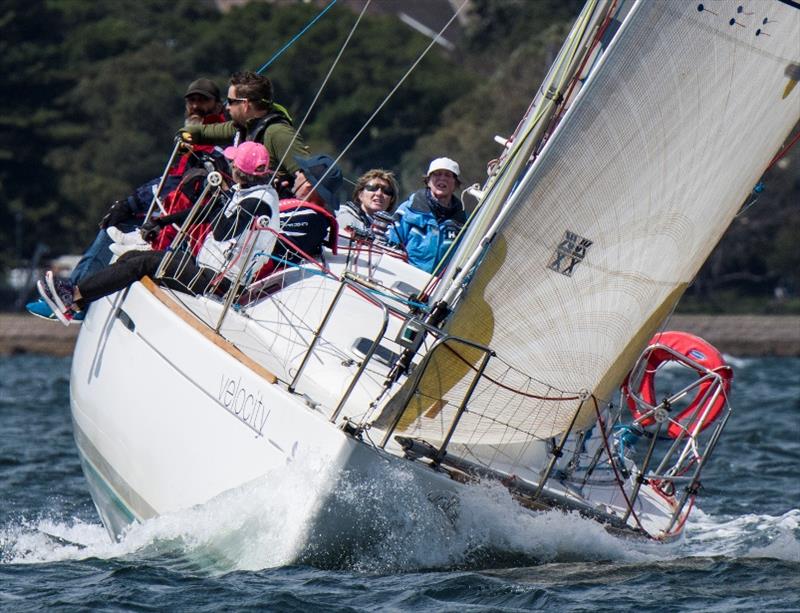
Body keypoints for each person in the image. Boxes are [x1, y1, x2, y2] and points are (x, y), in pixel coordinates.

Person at [26, 78, 227, 320]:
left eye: (203, 100)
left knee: (115, 225)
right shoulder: (193, 138)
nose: (195, 106)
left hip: (187, 223)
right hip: (174, 212)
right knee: (113, 224)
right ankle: (75, 293)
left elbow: (172, 183)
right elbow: (168, 181)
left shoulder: (210, 141)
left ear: (218, 105)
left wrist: (131, 203)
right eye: (191, 101)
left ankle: (75, 299)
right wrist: (129, 203)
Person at [37, 142, 280, 326]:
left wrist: (223, 200)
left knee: (145, 261)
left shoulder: (257, 203)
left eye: (234, 162)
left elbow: (222, 232)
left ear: (240, 169)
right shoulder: (247, 192)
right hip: (206, 271)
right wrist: (163, 221)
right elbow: (206, 214)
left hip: (218, 283)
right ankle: (75, 302)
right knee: (131, 256)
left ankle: (74, 294)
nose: (231, 165)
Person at [180, 71, 309, 197]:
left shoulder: (278, 133)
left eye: (230, 101)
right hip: (246, 207)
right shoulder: (239, 127)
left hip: (273, 211)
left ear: (245, 104)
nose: (227, 107)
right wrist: (184, 136)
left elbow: (311, 176)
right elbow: (201, 132)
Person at [387, 157, 466, 273]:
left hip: (439, 286)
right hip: (403, 277)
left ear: (455, 183)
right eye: (437, 174)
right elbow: (390, 242)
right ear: (428, 181)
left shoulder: (463, 221)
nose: (442, 178)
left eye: (448, 175)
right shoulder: (408, 209)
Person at [336, 169, 399, 241]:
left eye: (386, 191)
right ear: (360, 194)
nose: (379, 193)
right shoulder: (345, 216)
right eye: (373, 188)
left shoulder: (393, 232)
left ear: (391, 200)